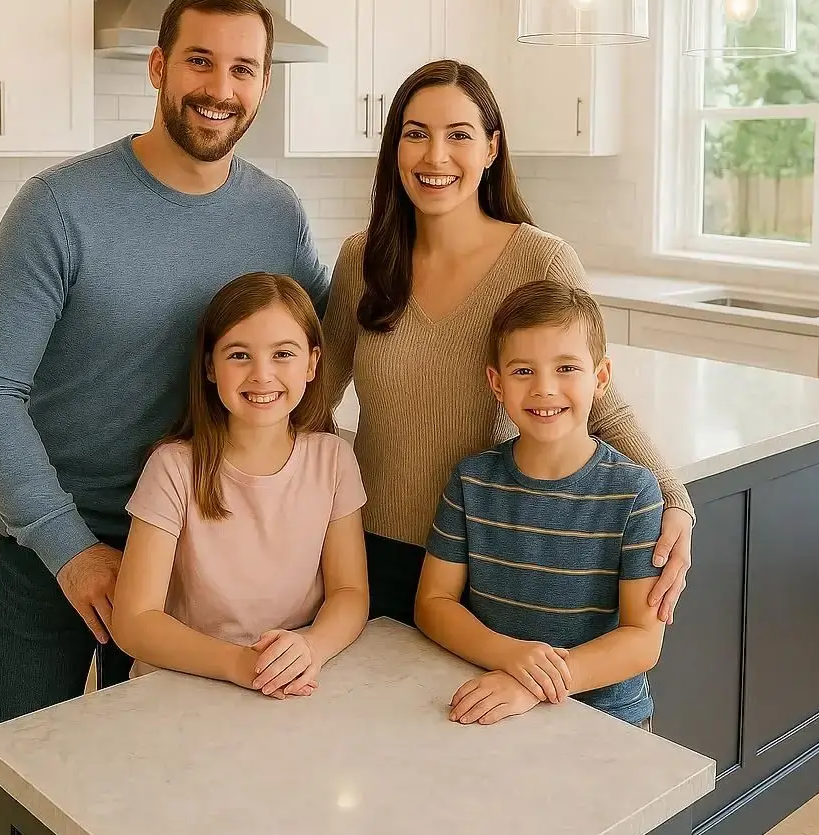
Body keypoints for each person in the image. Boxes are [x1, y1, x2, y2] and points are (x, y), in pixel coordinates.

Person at [0, 0, 329, 835]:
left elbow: (331, 329)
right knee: (15, 777)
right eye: (199, 60)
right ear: (158, 67)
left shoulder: (276, 212)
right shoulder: (59, 206)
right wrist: (69, 548)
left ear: (264, 87)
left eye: (243, 68)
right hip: (60, 548)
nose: (219, 87)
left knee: (163, 779)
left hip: (204, 548)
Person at [320, 59, 694, 629]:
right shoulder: (363, 260)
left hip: (495, 554)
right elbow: (311, 397)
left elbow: (594, 395)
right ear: (394, 148)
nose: (434, 156)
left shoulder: (540, 260)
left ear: (491, 149)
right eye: (415, 134)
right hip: (369, 548)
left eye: (459, 135)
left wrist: (674, 499)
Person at [414, 280, 665, 728]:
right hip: (494, 700)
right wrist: (512, 657)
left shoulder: (635, 493)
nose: (545, 389)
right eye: (523, 371)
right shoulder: (472, 480)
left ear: (601, 377)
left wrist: (535, 683)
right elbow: (433, 602)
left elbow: (643, 640)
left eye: (566, 367)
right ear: (497, 383)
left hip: (606, 721)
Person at [110, 273, 369, 695]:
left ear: (312, 363)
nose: (262, 375)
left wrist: (312, 647)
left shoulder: (334, 458)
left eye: (283, 353)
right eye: (239, 355)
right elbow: (134, 622)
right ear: (211, 367)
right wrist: (240, 665)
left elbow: (350, 591)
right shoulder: (172, 467)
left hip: (287, 681)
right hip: (179, 685)